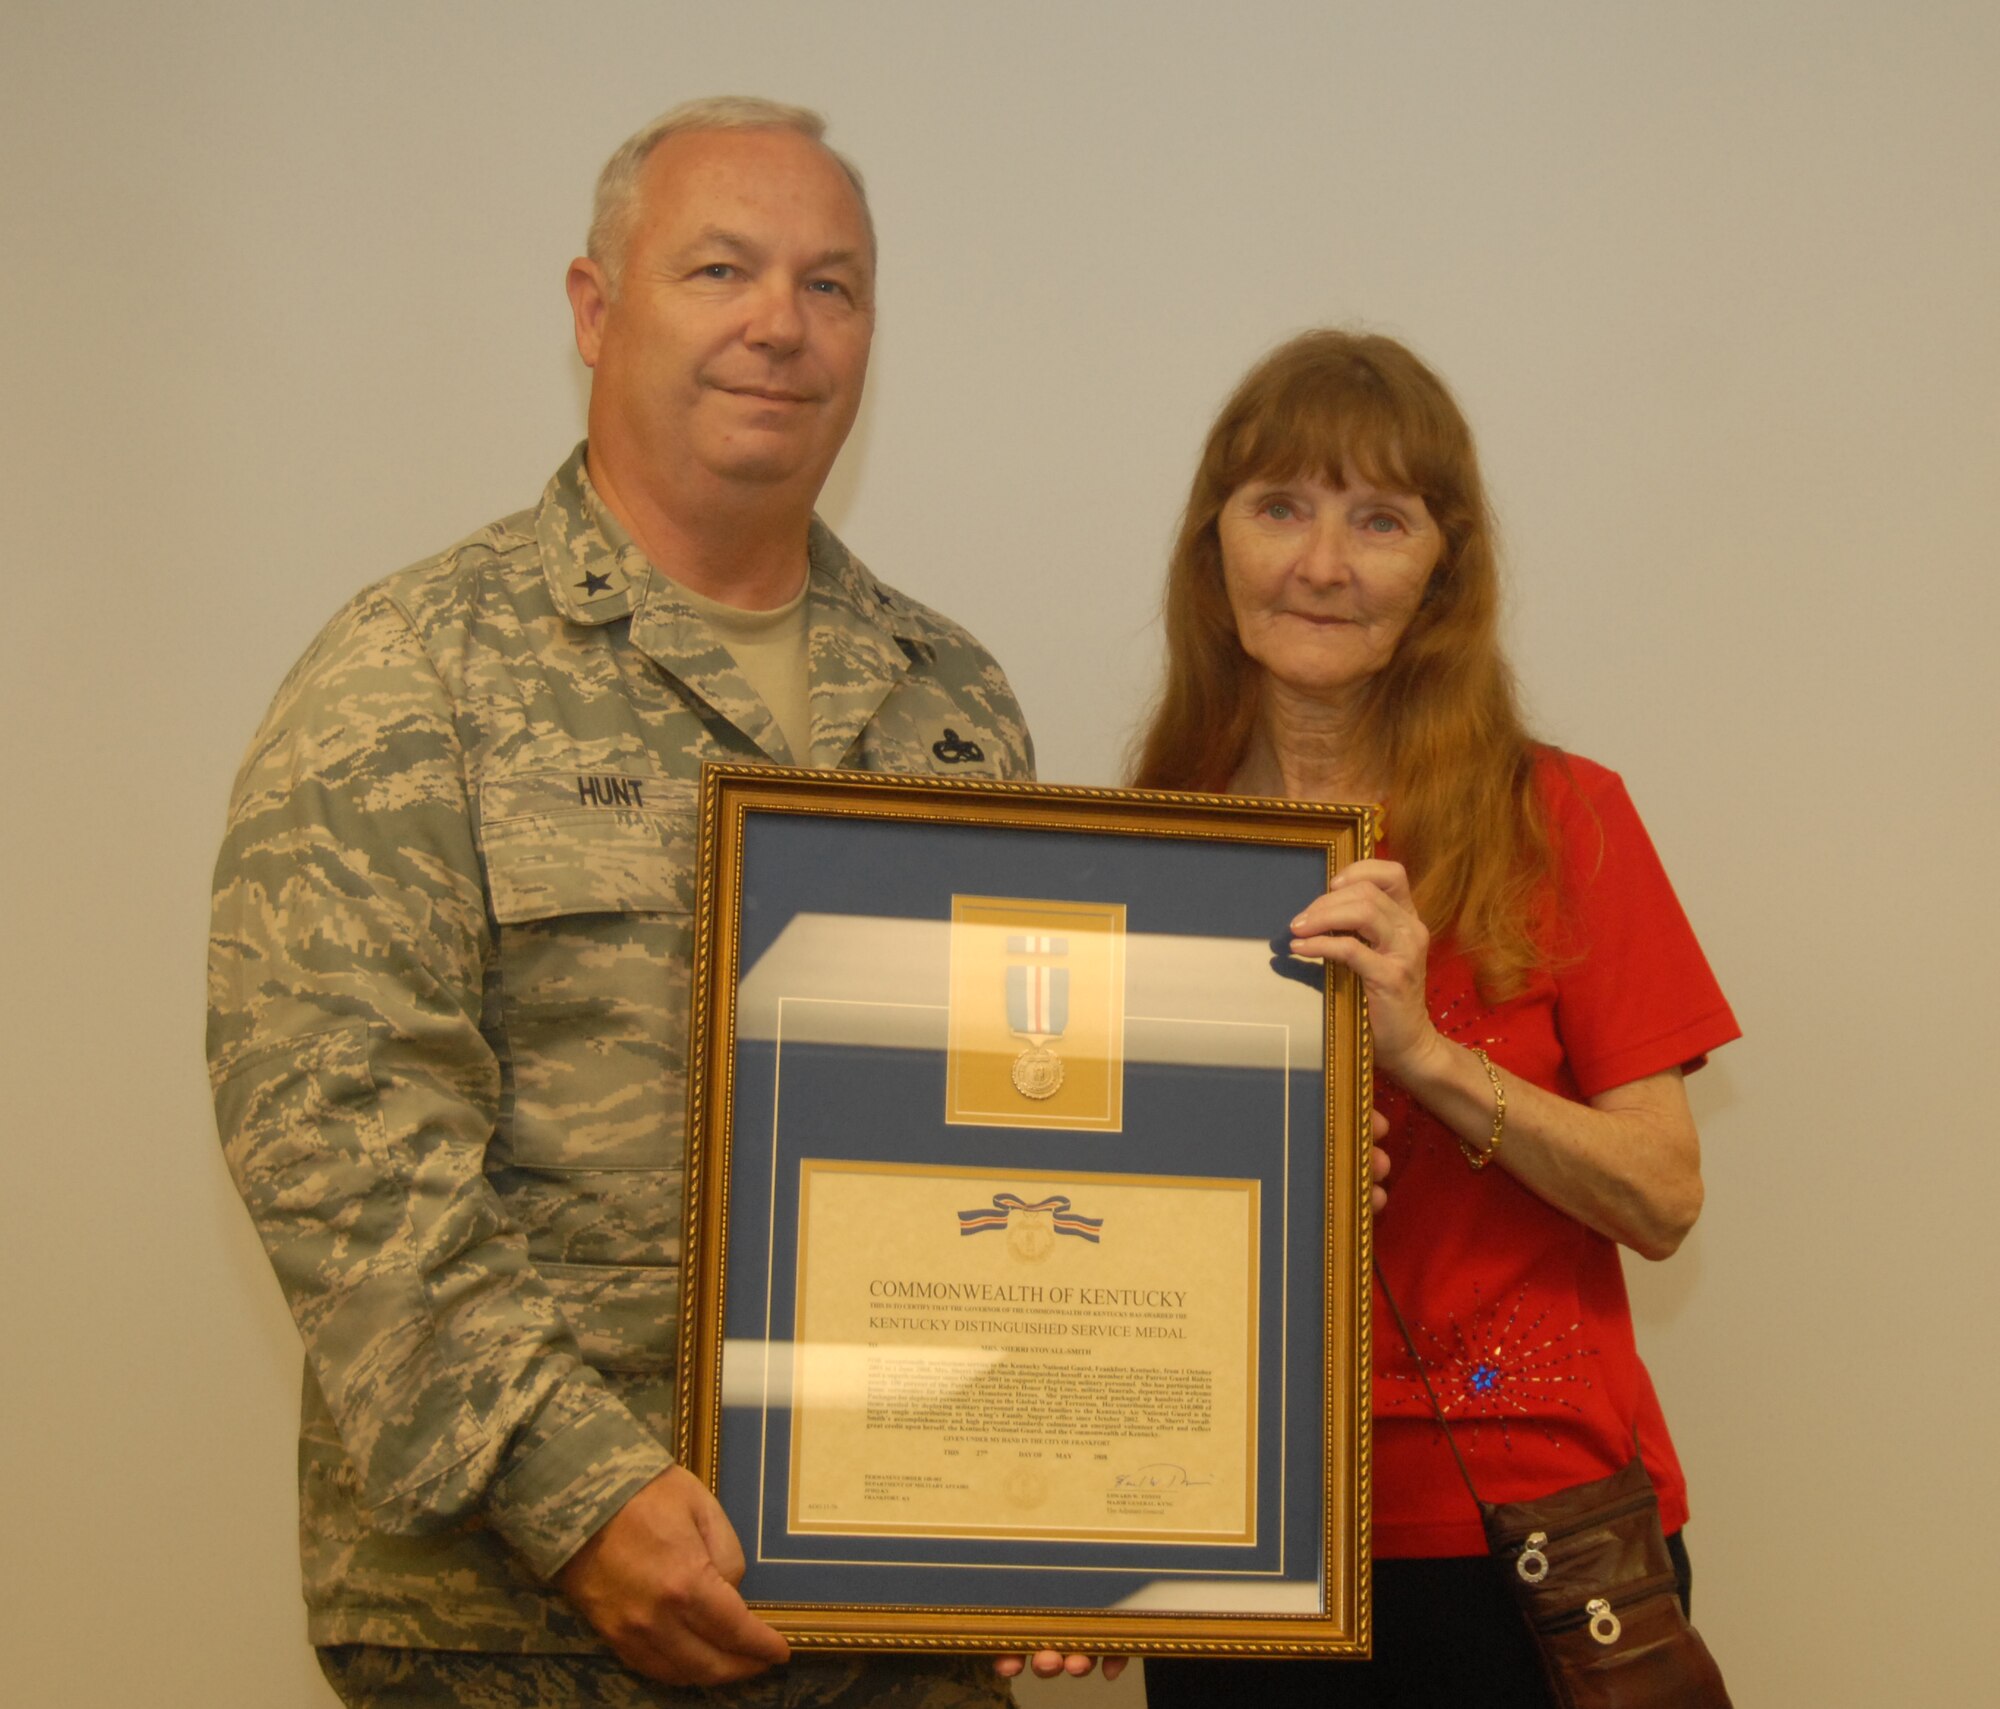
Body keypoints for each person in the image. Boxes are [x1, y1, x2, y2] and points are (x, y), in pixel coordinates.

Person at [207, 97, 1064, 1708]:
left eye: (833, 285)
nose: (779, 327)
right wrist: (576, 1491)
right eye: (721, 269)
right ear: (596, 311)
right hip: (522, 1625)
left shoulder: (956, 703)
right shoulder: (414, 675)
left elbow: (1014, 1119)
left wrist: (1046, 1506)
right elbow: (334, 1139)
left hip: (891, 1631)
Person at [1134, 330, 1739, 1708]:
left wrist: (1424, 1057)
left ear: (1443, 571)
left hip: (1525, 1540)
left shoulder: (1564, 818)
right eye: (1280, 504)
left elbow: (1662, 1194)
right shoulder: (1151, 840)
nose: (1324, 563)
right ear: (1213, 546)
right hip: (1229, 1525)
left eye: (1379, 518)